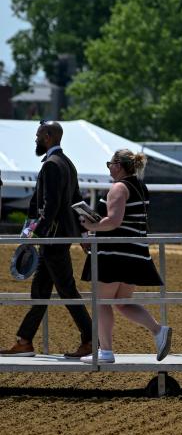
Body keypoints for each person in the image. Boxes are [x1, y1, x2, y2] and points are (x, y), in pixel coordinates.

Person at [1, 121, 93, 359]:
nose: (36, 139)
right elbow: (76, 200)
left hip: (52, 238)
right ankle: (25, 341)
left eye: (39, 135)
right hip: (58, 237)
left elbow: (49, 206)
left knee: (66, 290)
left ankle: (91, 338)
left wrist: (35, 235)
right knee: (41, 290)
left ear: (49, 136)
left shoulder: (52, 165)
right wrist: (82, 233)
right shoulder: (67, 163)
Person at [77, 150, 171, 363]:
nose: (109, 167)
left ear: (118, 165)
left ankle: (106, 352)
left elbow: (113, 221)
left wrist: (90, 225)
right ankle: (158, 330)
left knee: (101, 301)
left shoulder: (119, 187)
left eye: (110, 164)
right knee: (122, 302)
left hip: (115, 254)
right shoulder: (140, 187)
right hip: (135, 253)